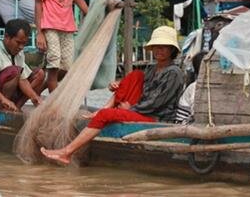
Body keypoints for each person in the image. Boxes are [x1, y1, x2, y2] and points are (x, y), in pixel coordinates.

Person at [40, 26, 184, 164]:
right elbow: (138, 90)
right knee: (135, 75)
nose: (159, 50)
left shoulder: (173, 73)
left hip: (155, 118)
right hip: (141, 109)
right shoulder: (152, 69)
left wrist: (130, 109)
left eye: (164, 47)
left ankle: (66, 152)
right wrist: (118, 87)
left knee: (105, 116)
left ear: (172, 50)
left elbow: (155, 103)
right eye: (157, 46)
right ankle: (105, 108)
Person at [0, 18, 45, 112]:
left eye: (24, 43)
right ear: (7, 37)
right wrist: (3, 99)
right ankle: (3, 108)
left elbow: (23, 80)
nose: (21, 47)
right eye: (18, 42)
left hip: (6, 97)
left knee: (39, 74)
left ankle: (16, 108)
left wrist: (35, 98)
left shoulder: (19, 54)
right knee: (14, 71)